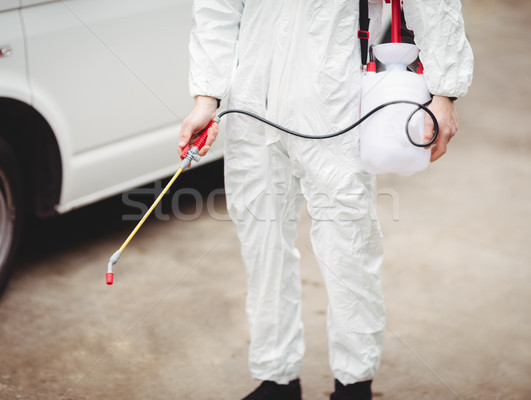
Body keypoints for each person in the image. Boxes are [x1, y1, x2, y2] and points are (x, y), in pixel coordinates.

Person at [178, 1, 473, 399]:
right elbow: (217, 8)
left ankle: (354, 385)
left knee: (348, 245)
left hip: (335, 99)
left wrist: (445, 90)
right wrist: (206, 97)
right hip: (249, 104)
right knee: (261, 243)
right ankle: (275, 379)